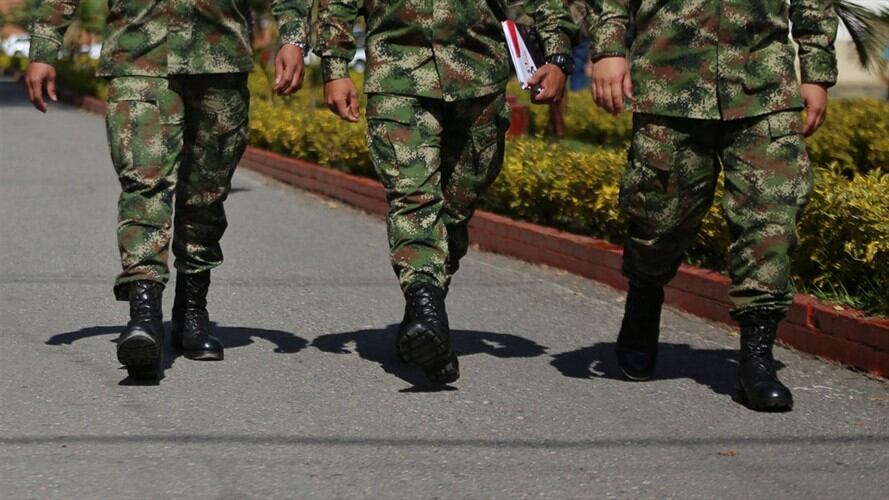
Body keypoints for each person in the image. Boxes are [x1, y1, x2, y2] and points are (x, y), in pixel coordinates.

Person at [25, 0, 310, 380]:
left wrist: (293, 40)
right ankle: (144, 314)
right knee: (144, 185)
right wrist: (44, 48)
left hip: (220, 60)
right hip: (139, 59)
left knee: (206, 195)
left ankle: (192, 308)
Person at [588, 0, 837, 411]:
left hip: (764, 84)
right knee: (657, 221)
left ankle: (756, 357)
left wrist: (817, 72)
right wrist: (609, 48)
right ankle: (645, 295)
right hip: (670, 82)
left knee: (770, 219)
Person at [316, 0, 575, 384]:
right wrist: (335, 69)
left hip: (479, 81)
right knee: (414, 199)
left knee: (454, 211)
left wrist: (556, 56)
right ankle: (428, 313)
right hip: (398, 78)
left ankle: (422, 321)